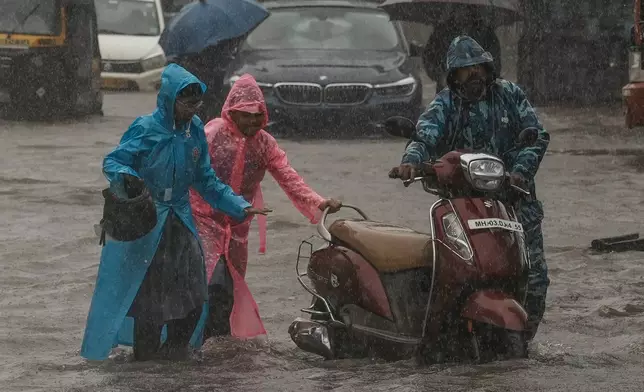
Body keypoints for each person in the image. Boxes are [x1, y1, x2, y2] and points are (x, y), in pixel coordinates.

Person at [80, 64, 270, 362]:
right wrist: (128, 177)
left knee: (195, 294)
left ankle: (175, 354)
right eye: (187, 103)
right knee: (148, 300)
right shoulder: (144, 128)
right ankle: (145, 362)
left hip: (181, 220)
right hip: (147, 223)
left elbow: (205, 180)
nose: (193, 109)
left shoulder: (194, 130)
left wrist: (240, 205)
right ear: (169, 99)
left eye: (197, 103)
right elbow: (113, 162)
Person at [393, 36, 550, 342]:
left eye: (477, 68)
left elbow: (537, 136)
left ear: (487, 68)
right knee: (457, 273)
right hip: (466, 208)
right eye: (465, 71)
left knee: (535, 280)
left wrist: (519, 173)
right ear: (454, 76)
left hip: (515, 202)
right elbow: (424, 137)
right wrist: (411, 163)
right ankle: (446, 340)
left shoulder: (509, 95)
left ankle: (522, 342)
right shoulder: (445, 103)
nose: (473, 75)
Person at [188, 74, 342, 340]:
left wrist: (318, 202)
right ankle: (196, 339)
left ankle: (219, 344)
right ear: (231, 112)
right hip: (203, 219)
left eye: (257, 115)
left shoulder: (264, 144)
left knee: (232, 286)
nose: (252, 121)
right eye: (245, 114)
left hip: (238, 225)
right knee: (209, 282)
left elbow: (288, 177)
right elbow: (190, 170)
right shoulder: (212, 134)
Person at [423, 12, 501, 95]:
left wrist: (482, 78)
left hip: (478, 94)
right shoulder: (441, 32)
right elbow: (429, 58)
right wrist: (441, 75)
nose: (462, 12)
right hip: (448, 93)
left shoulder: (486, 34)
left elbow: (495, 65)